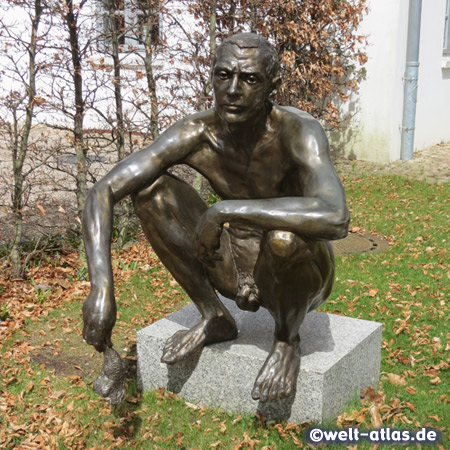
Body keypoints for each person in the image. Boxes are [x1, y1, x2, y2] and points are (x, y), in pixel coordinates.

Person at [82, 33, 349, 403]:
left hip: (298, 269)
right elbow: (102, 191)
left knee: (282, 239)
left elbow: (335, 216)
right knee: (151, 192)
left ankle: (287, 340)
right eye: (223, 75)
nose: (233, 90)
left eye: (250, 79)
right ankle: (214, 316)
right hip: (232, 262)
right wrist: (101, 286)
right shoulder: (198, 132)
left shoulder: (298, 130)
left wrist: (225, 209)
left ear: (273, 84)